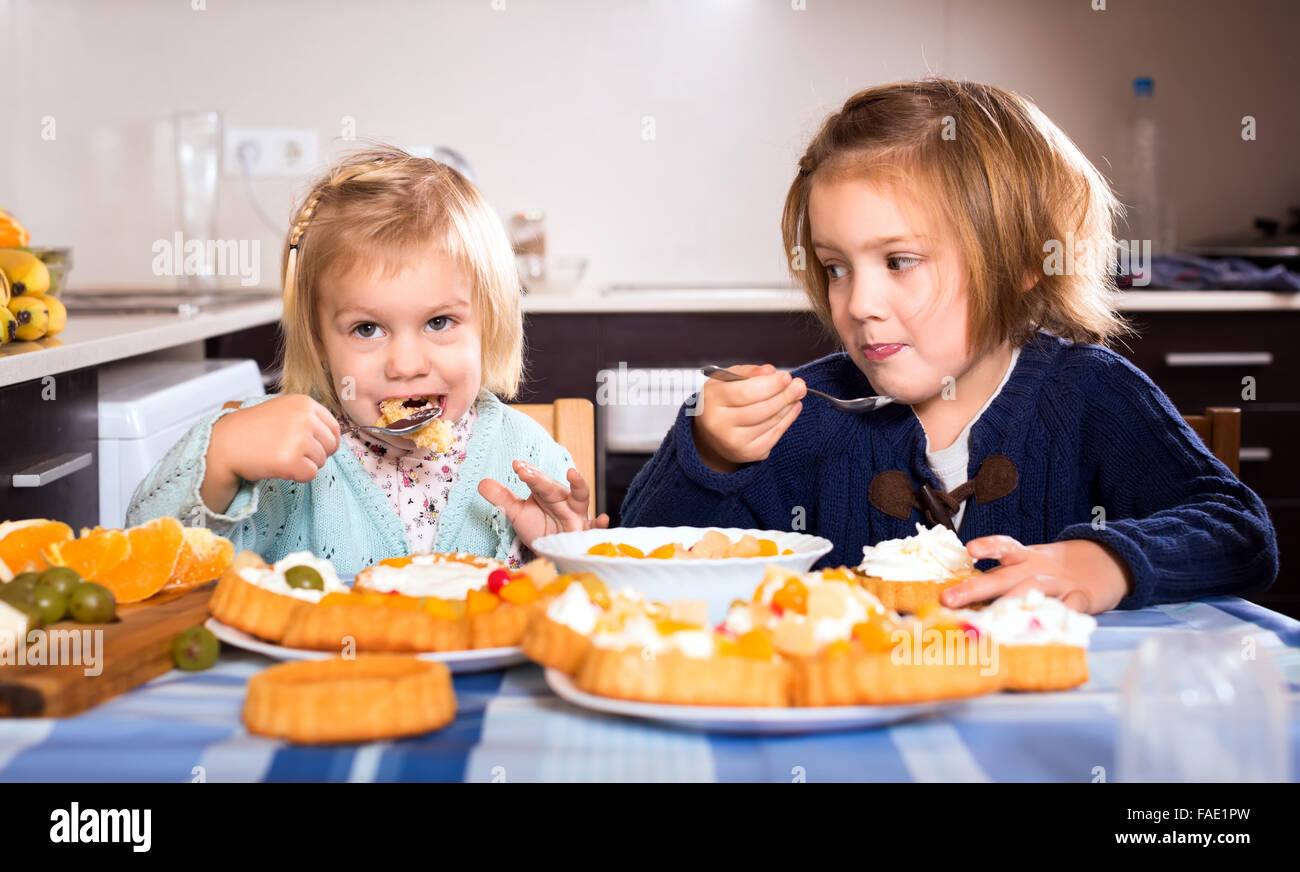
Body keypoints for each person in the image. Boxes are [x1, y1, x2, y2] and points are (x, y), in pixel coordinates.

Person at [621, 79, 1277, 614]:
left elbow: (1240, 531)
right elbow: (635, 570)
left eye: (899, 260)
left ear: (1023, 260)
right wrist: (706, 455)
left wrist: (1106, 560)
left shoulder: (1093, 395)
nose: (858, 303)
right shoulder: (802, 422)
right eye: (836, 266)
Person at [128, 145, 606, 575]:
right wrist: (222, 458)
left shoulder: (531, 457)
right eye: (367, 329)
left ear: (491, 323)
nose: (405, 364)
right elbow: (148, 561)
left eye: (439, 322)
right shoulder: (280, 455)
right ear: (318, 341)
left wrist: (564, 555)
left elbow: (576, 614)